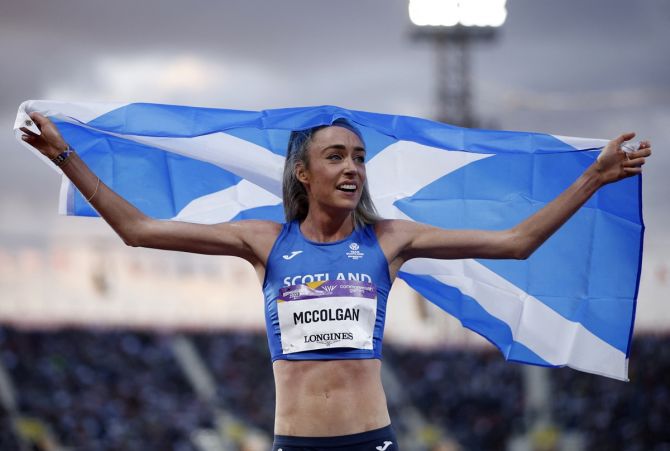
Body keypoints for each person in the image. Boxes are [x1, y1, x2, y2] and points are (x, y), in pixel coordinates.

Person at [20, 112, 651, 450]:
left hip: (370, 443)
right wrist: (65, 157)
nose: (352, 168)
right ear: (302, 173)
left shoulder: (391, 240)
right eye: (336, 157)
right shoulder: (264, 241)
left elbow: (517, 243)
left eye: (359, 159)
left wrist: (592, 179)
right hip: (293, 445)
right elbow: (138, 230)